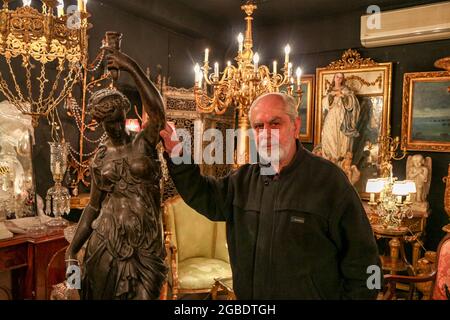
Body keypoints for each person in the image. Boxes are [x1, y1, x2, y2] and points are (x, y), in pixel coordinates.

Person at [160, 92, 381, 300]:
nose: (266, 133)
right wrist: (178, 154)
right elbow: (202, 194)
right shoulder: (243, 179)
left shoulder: (330, 181)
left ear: (295, 127)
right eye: (258, 126)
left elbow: (366, 262)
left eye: (275, 123)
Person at [65, 49, 167, 300]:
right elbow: (93, 207)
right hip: (106, 239)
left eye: (120, 120)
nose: (117, 128)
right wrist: (72, 250)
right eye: (110, 123)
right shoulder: (101, 158)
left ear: (125, 115)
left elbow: (157, 114)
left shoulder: (143, 143)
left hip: (146, 243)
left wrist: (132, 66)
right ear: (101, 123)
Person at [321, 72, 361, 164]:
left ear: (343, 79)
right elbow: (325, 104)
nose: (339, 79)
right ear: (334, 78)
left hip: (342, 117)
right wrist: (332, 95)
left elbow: (352, 103)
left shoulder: (346, 90)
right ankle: (329, 160)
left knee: (340, 137)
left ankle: (339, 160)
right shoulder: (329, 90)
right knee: (329, 136)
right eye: (337, 77)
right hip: (331, 117)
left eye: (341, 77)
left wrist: (343, 96)